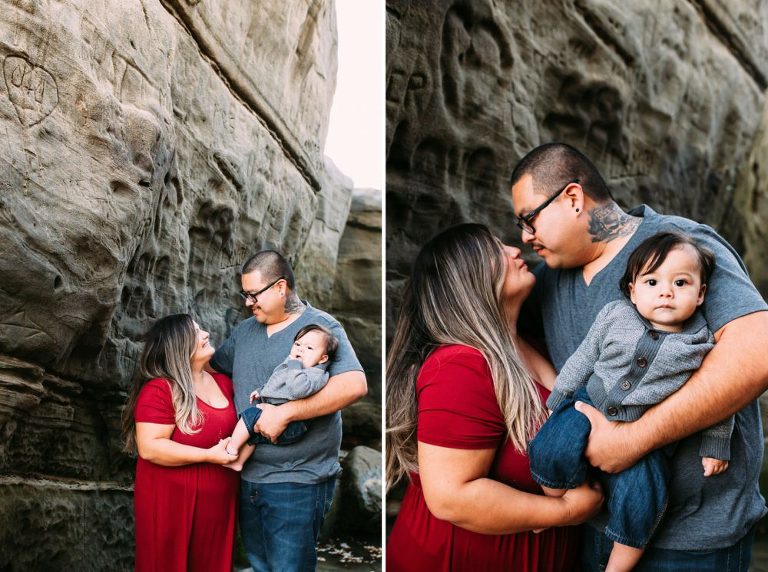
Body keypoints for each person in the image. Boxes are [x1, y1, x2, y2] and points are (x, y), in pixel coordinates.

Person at [510, 142, 768, 570]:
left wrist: (633, 440)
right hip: (591, 531)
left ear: (572, 198)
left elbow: (758, 348)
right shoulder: (548, 282)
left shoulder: (680, 246)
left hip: (691, 544)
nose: (524, 235)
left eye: (528, 218)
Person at [386, 223, 604, 572]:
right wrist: (567, 512)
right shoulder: (460, 365)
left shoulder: (532, 344)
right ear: (466, 278)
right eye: (495, 250)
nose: (515, 250)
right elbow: (451, 497)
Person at [529, 232, 732, 571]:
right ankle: (560, 504)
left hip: (642, 432)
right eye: (652, 281)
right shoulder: (614, 316)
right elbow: (584, 357)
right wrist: (561, 395)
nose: (666, 291)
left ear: (701, 294)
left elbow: (720, 394)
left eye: (681, 282)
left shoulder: (699, 343)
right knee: (549, 447)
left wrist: (715, 443)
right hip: (588, 402)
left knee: (646, 497)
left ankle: (617, 566)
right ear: (633, 291)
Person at [209, 250, 367, 572]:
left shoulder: (321, 328)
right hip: (248, 478)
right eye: (245, 294)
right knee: (259, 565)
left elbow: (354, 384)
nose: (247, 303)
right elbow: (211, 371)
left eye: (253, 295)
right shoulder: (245, 331)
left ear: (281, 288)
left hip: (299, 481)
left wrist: (286, 413)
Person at [122, 314, 239, 572]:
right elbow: (150, 447)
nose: (206, 333)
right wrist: (209, 455)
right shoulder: (160, 390)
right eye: (196, 332)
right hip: (171, 504)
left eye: (201, 328)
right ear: (178, 346)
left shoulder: (224, 383)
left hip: (219, 504)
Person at [224, 324, 339, 471]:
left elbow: (297, 389)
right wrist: (262, 390)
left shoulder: (314, 374)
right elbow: (278, 381)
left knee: (249, 416)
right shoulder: (294, 366)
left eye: (309, 348)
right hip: (280, 419)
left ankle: (231, 450)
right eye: (297, 344)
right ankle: (238, 462)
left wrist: (294, 364)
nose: (300, 349)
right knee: (253, 433)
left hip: (292, 426)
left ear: (323, 358)